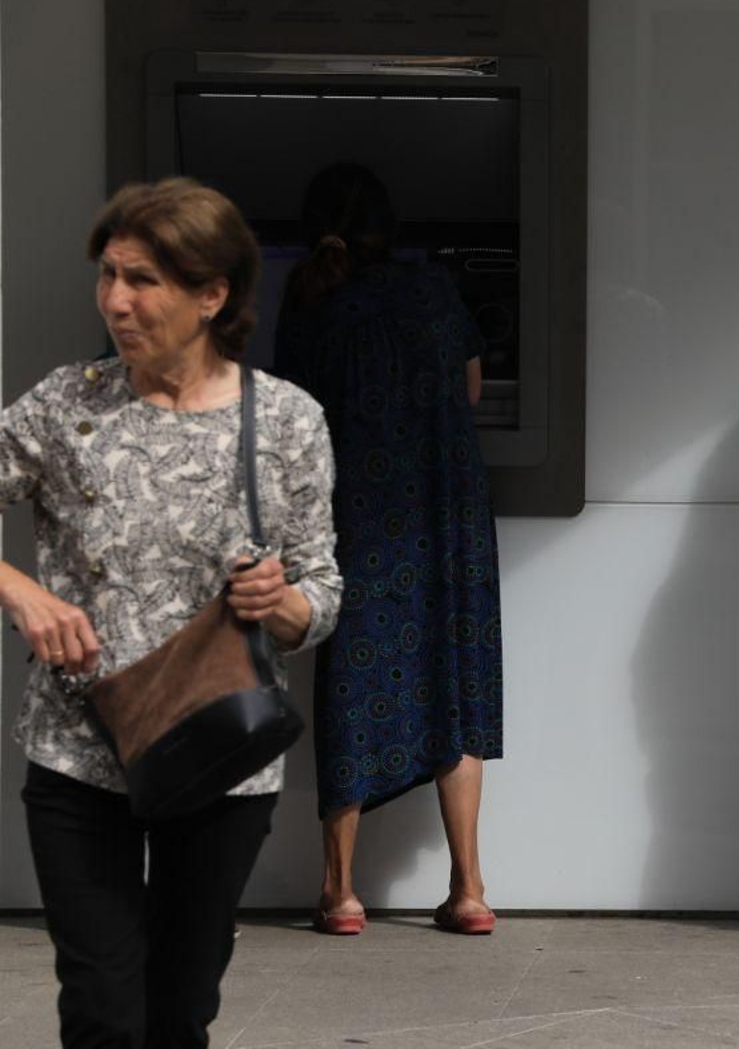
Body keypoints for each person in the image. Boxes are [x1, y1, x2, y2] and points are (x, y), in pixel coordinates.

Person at [0, 177, 342, 1046]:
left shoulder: (287, 420)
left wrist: (283, 601)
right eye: (108, 275)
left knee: (180, 1010)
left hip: (219, 750)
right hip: (78, 750)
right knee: (102, 1010)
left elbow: (322, 593)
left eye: (143, 279)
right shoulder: (66, 405)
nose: (115, 300)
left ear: (211, 294)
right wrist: (20, 588)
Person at [273, 163, 503, 937]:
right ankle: (468, 888)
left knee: (351, 677)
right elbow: (472, 390)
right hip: (447, 513)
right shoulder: (435, 289)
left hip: (360, 515)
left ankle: (339, 891)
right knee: (456, 682)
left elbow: (292, 417)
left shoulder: (311, 300)